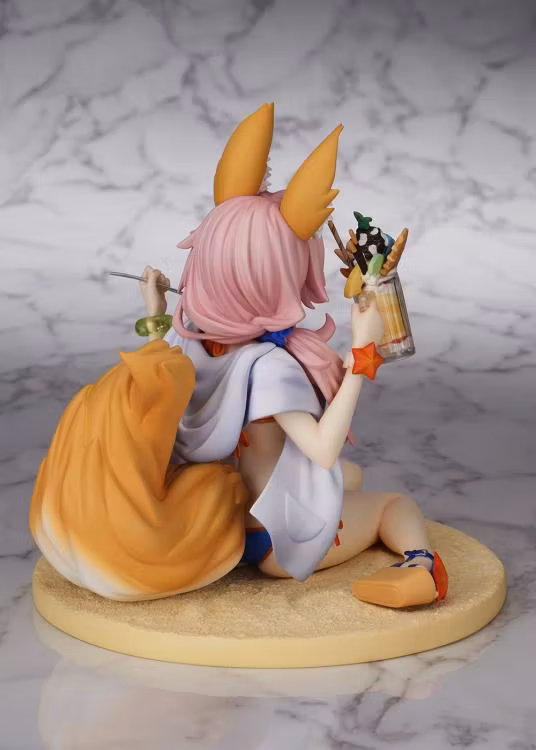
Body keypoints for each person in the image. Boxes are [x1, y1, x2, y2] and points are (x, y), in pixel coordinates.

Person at [30, 104, 447, 608]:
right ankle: (422, 566)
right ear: (274, 280)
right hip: (271, 536)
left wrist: (157, 313)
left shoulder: (189, 344)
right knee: (389, 503)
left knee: (349, 476)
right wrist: (362, 351)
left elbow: (156, 377)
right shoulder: (269, 367)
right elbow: (321, 450)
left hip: (220, 514)